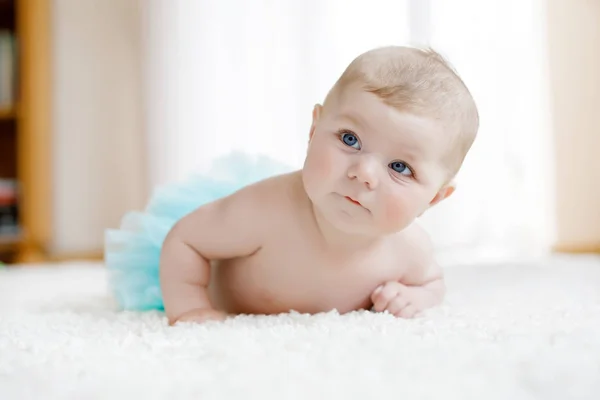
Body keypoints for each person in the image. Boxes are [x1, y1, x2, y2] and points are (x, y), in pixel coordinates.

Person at [105, 45, 479, 325]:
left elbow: (433, 283)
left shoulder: (410, 250)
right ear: (315, 128)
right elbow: (185, 239)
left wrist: (416, 297)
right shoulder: (264, 210)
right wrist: (191, 308)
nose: (364, 172)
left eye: (400, 166)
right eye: (349, 139)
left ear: (435, 198)